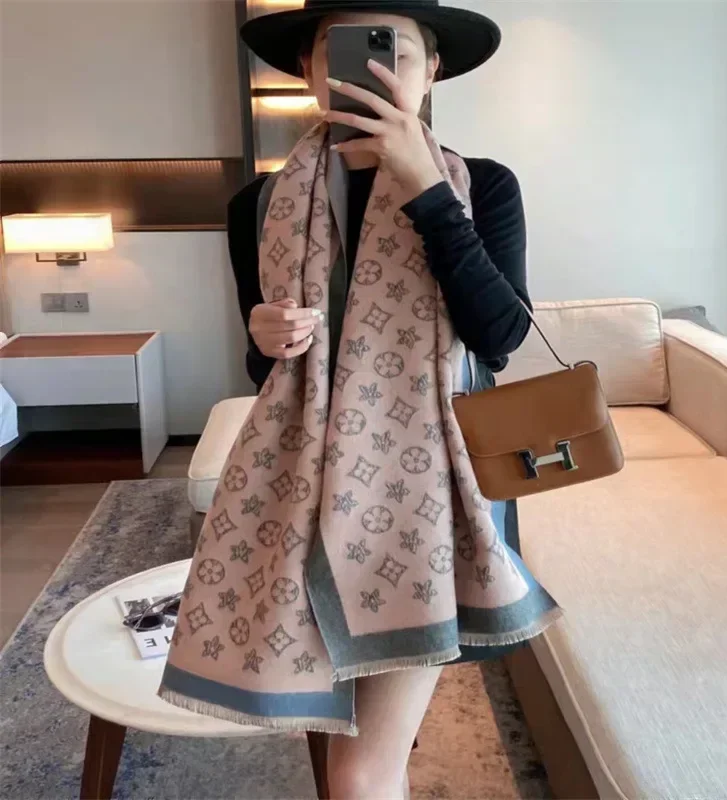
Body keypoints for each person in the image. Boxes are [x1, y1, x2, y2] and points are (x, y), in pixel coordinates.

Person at [160, 2, 562, 798]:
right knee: (342, 745)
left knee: (358, 772)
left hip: (430, 496)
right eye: (343, 50)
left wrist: (428, 194)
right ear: (308, 70)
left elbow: (499, 338)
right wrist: (265, 335)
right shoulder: (258, 206)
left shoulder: (481, 186)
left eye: (396, 52)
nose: (374, 70)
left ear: (433, 70)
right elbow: (265, 371)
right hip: (300, 495)